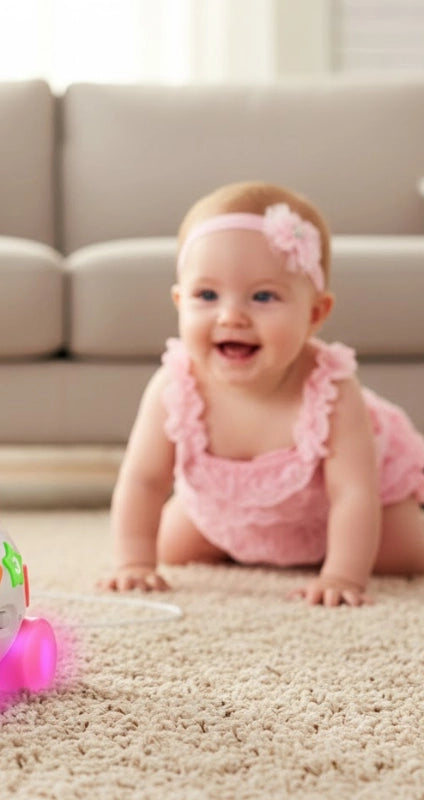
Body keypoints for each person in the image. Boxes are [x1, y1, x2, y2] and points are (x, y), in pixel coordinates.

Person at [102, 180, 424, 606]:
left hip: (332, 516)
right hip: (226, 516)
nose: (231, 315)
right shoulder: (173, 387)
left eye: (263, 296)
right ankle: (248, 545)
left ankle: (335, 554)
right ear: (180, 302)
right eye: (207, 295)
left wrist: (343, 575)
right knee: (170, 546)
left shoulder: (331, 390)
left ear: (314, 314)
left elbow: (352, 494)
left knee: (404, 550)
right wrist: (133, 563)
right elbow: (143, 481)